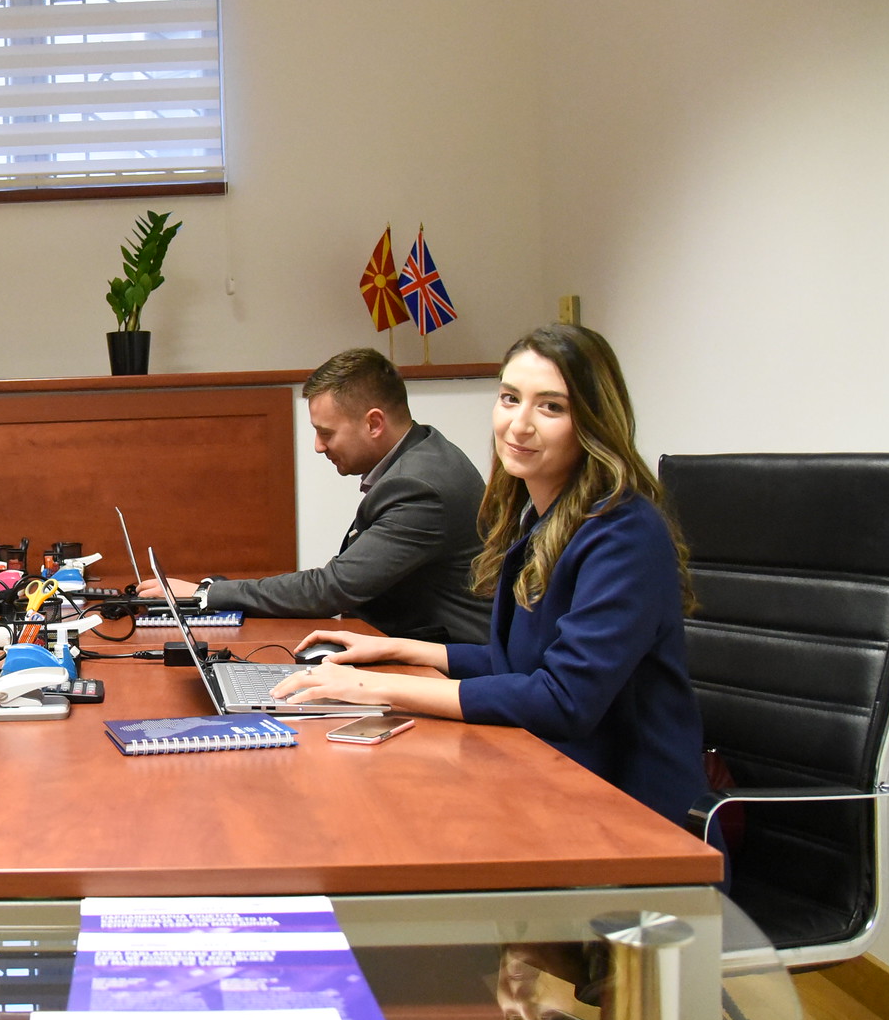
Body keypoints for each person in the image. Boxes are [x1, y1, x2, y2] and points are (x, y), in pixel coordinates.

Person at [270, 324, 705, 823]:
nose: (519, 424)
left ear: (593, 422)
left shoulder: (623, 532)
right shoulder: (543, 518)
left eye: (551, 406)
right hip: (545, 777)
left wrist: (377, 690)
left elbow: (564, 699)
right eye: (509, 398)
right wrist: (397, 650)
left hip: (628, 813)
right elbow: (518, 661)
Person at [137, 348, 489, 642]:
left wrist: (208, 594)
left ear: (374, 423)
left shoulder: (420, 486)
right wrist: (220, 589)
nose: (318, 447)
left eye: (326, 433)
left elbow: (332, 589)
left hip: (448, 665)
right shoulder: (420, 455)